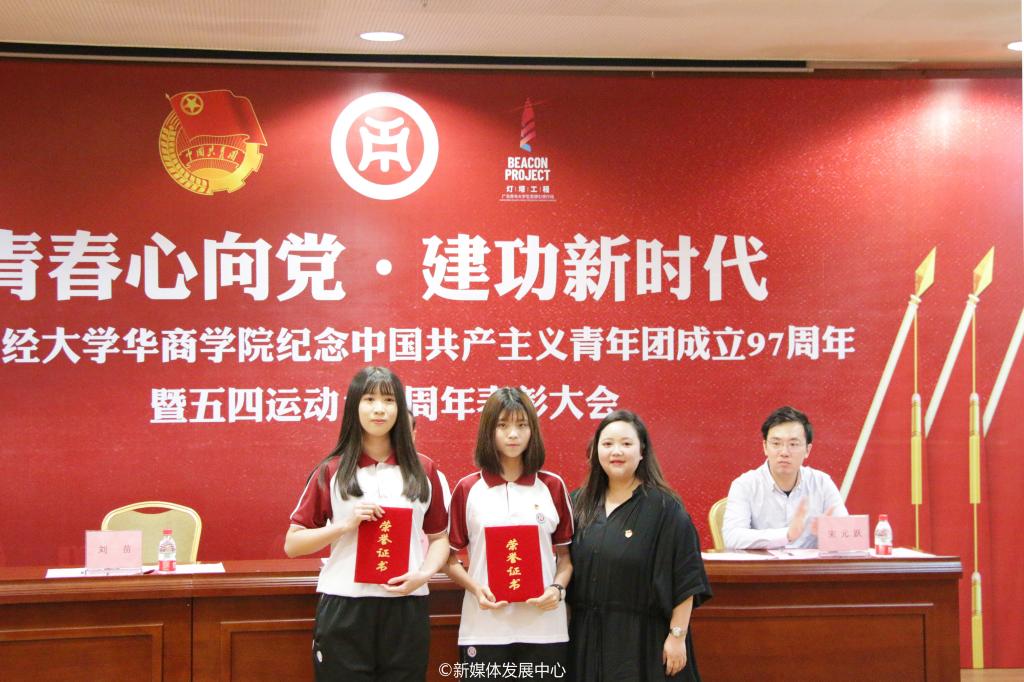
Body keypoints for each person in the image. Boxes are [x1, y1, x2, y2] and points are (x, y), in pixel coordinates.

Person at [284, 366, 450, 681]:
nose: (379, 409)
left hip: (406, 605)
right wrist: (344, 525)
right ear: (354, 406)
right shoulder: (331, 470)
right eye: (369, 399)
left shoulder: (424, 470)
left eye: (388, 400)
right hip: (346, 604)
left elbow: (440, 538)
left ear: (400, 408)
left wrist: (423, 575)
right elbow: (293, 544)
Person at [569, 410, 711, 681]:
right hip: (586, 637)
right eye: (607, 443)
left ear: (642, 450)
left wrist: (677, 636)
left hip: (642, 640)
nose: (616, 451)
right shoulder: (578, 503)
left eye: (626, 443)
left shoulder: (665, 508)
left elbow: (686, 576)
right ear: (596, 450)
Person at [446, 387, 573, 678]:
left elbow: (566, 558)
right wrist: (475, 589)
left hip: (544, 629)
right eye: (502, 425)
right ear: (488, 431)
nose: (513, 434)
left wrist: (557, 590)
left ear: (533, 430)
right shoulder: (468, 488)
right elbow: (448, 559)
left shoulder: (552, 486)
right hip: (484, 628)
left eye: (521, 425)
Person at [722, 405, 848, 550]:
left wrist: (828, 534)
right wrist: (786, 535)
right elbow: (732, 537)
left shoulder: (822, 483)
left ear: (807, 450)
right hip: (764, 564)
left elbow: (847, 536)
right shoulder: (745, 485)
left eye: (793, 444)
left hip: (808, 565)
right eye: (776, 443)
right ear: (765, 447)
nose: (784, 452)